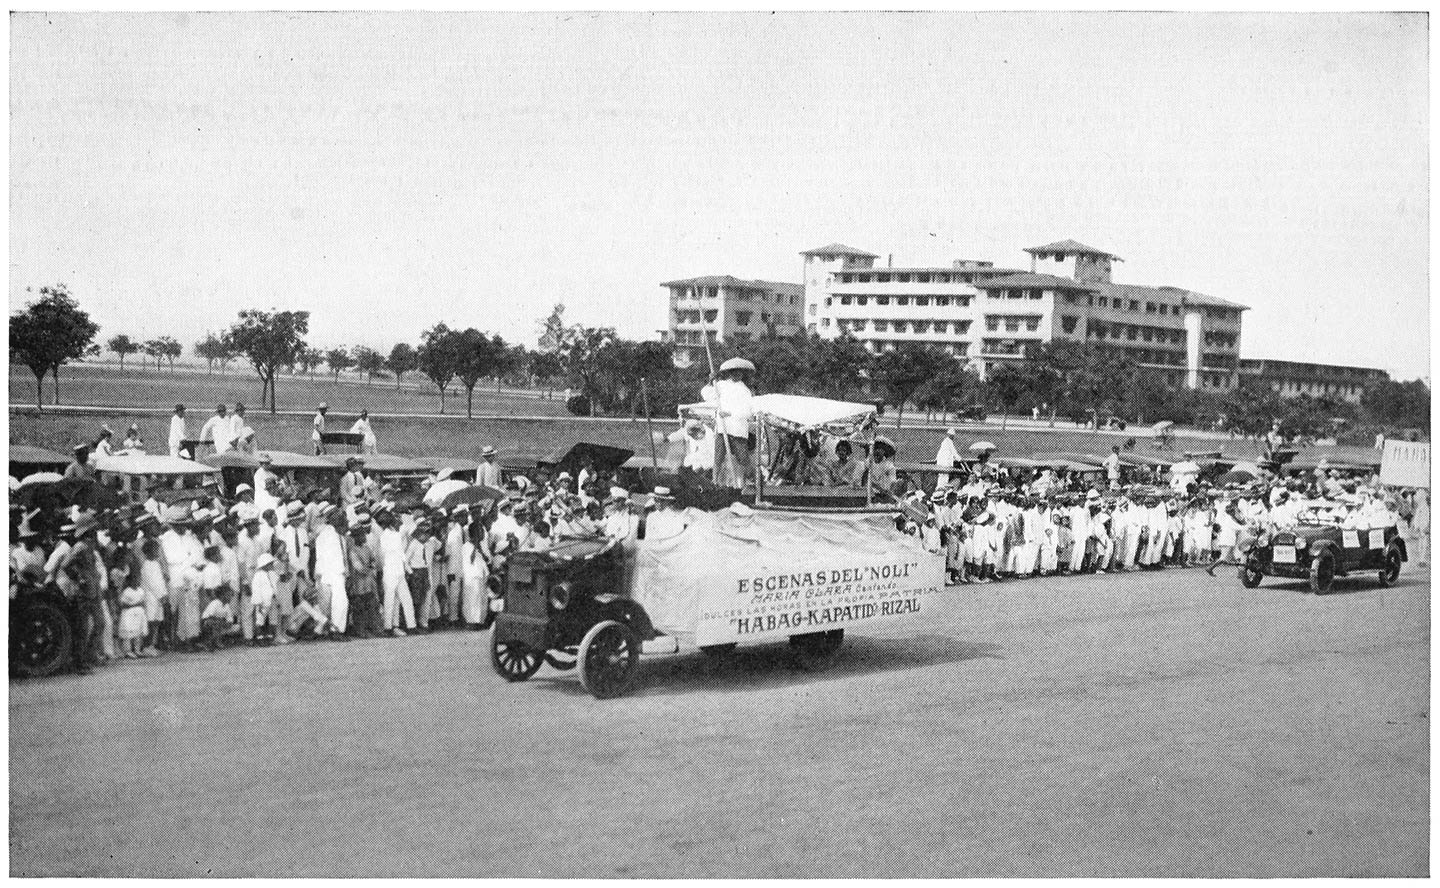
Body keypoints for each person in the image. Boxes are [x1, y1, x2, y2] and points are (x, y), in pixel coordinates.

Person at [701, 357, 755, 489]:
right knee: (718, 457)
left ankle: (753, 481)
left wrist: (730, 413)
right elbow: (706, 394)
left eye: (739, 372)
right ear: (729, 373)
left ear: (742, 374)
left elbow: (748, 411)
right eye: (734, 372)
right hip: (722, 428)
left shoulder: (745, 391)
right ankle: (714, 482)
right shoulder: (721, 385)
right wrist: (710, 382)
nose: (737, 374)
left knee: (743, 457)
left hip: (738, 429)